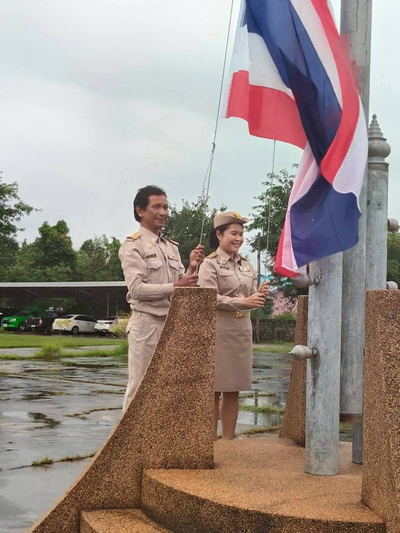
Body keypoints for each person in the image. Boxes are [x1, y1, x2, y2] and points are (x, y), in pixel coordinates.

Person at [119, 185, 204, 411]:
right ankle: (129, 434)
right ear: (140, 210)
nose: (163, 212)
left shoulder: (170, 247)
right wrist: (177, 286)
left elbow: (181, 285)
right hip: (147, 324)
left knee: (166, 387)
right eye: (156, 207)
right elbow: (137, 289)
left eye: (166, 207)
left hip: (171, 324)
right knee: (140, 388)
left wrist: (192, 267)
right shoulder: (133, 245)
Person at [198, 212, 269, 440]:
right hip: (219, 330)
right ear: (219, 234)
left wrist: (259, 294)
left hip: (241, 330)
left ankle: (229, 441)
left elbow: (250, 296)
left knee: (233, 388)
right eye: (233, 234)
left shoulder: (246, 265)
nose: (239, 239)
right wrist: (244, 302)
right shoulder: (209, 264)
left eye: (241, 234)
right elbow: (209, 298)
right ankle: (209, 442)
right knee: (214, 388)